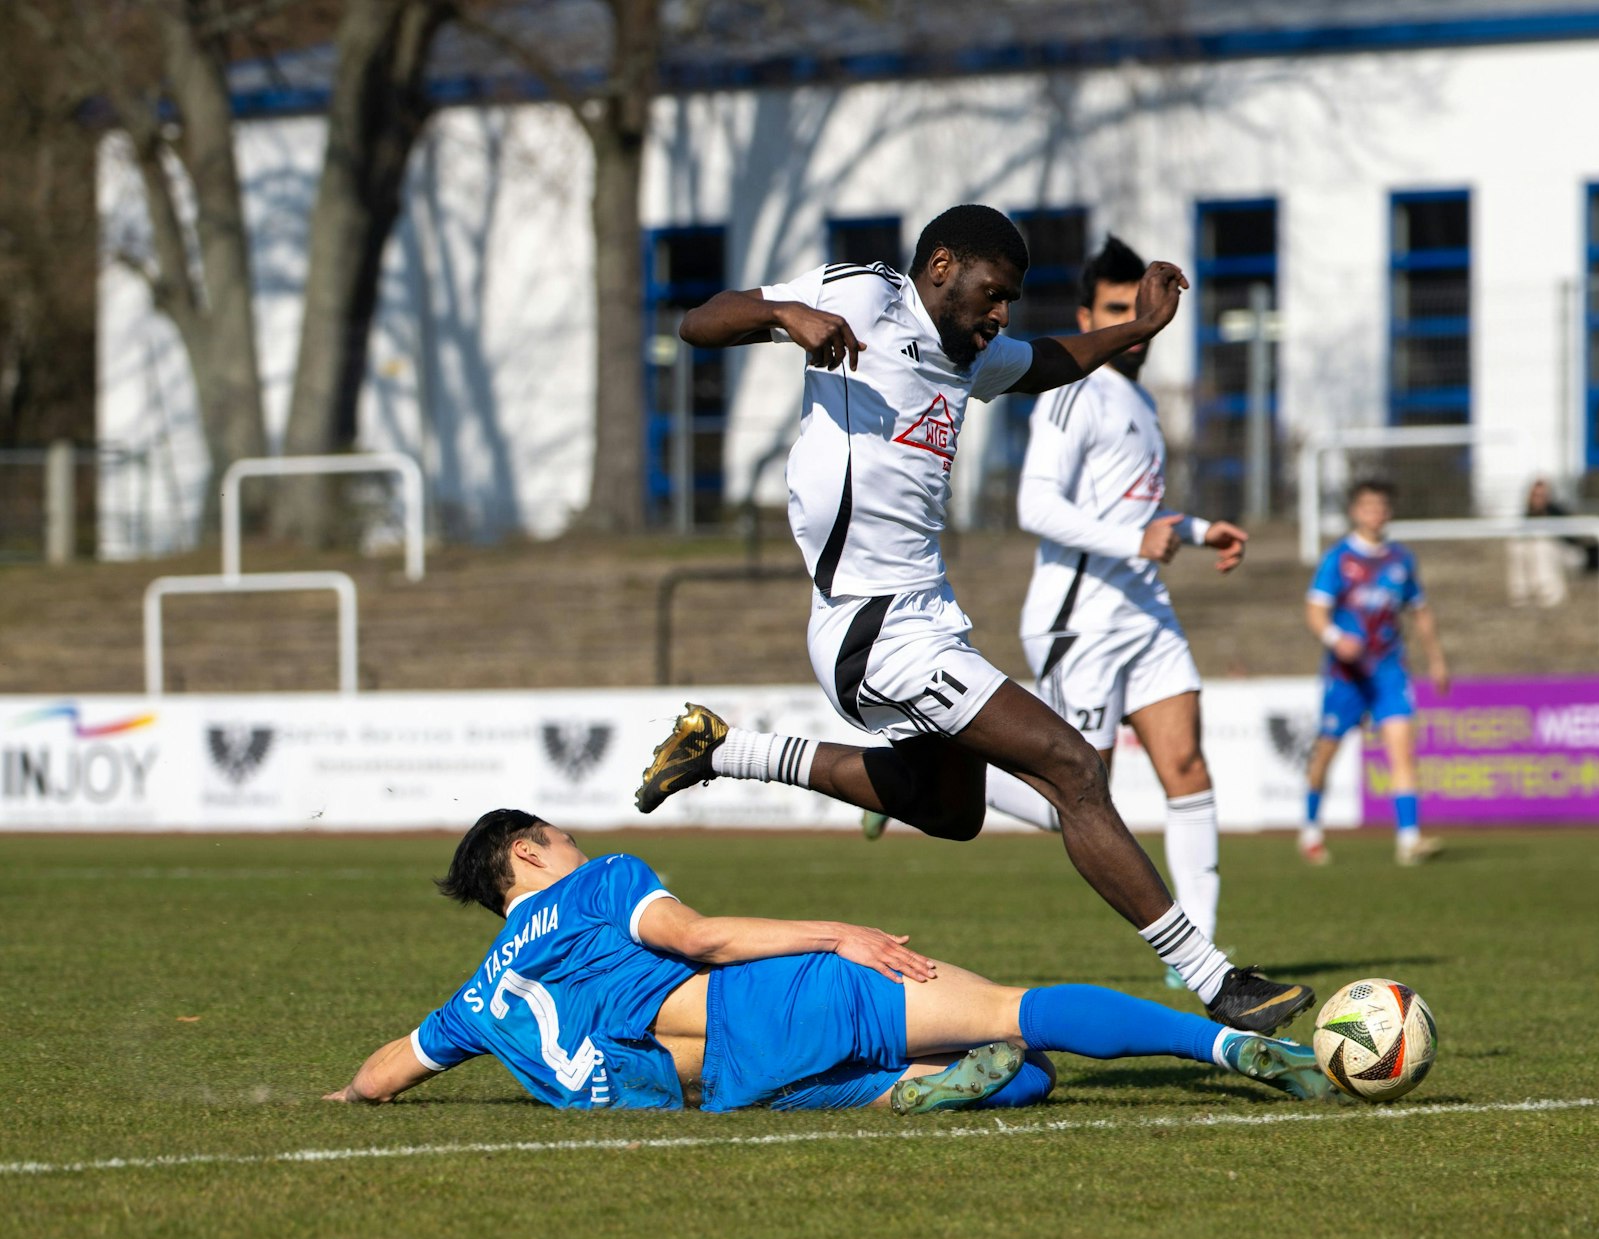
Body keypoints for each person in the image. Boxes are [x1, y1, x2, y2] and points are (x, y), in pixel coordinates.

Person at [637, 204, 1313, 1038]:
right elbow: (700, 320)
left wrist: (1138, 327)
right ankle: (1214, 978)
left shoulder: (969, 356)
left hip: (920, 617)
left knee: (953, 811)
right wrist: (784, 314)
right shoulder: (863, 295)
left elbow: (1048, 361)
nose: (1001, 316)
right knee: (1071, 765)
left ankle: (729, 749)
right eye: (995, 294)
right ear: (943, 265)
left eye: (1012, 302)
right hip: (872, 624)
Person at [324, 810, 1338, 1114]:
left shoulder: (476, 993)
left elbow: (383, 1070)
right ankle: (1222, 1042)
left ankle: (907, 1092)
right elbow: (698, 938)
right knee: (1011, 1008)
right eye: (563, 835)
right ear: (527, 855)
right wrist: (833, 933)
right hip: (764, 1001)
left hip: (710, 1089)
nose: (579, 844)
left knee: (1023, 1081)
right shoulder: (597, 882)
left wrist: (334, 1099)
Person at [864, 236, 1248, 990]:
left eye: (1137, 304)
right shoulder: (1074, 391)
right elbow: (1037, 504)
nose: (1133, 317)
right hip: (1083, 619)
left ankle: (1201, 954)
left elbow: (1133, 506)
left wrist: (1196, 531)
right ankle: (922, 771)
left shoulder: (1137, 398)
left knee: (1186, 765)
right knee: (1074, 792)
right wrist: (1135, 538)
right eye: (1115, 308)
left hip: (1143, 606)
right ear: (1087, 315)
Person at [1296, 479, 1450, 867]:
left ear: (1389, 512)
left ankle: (1409, 839)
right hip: (1346, 673)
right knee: (1326, 752)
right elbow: (1315, 611)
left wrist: (1436, 660)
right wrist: (1335, 638)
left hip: (1388, 670)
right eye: (1367, 506)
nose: (1375, 513)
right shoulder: (1338, 559)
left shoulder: (1401, 560)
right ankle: (1311, 829)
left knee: (1402, 749)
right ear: (1355, 511)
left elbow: (1420, 611)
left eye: (1381, 506)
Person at [1506, 478, 1569, 608]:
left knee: (1542, 545)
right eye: (1535, 495)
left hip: (1564, 553)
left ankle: (1549, 593)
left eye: (1541, 495)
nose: (1538, 499)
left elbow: (1571, 540)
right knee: (1517, 546)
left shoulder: (1558, 513)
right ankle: (1520, 593)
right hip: (1533, 551)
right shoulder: (1526, 516)